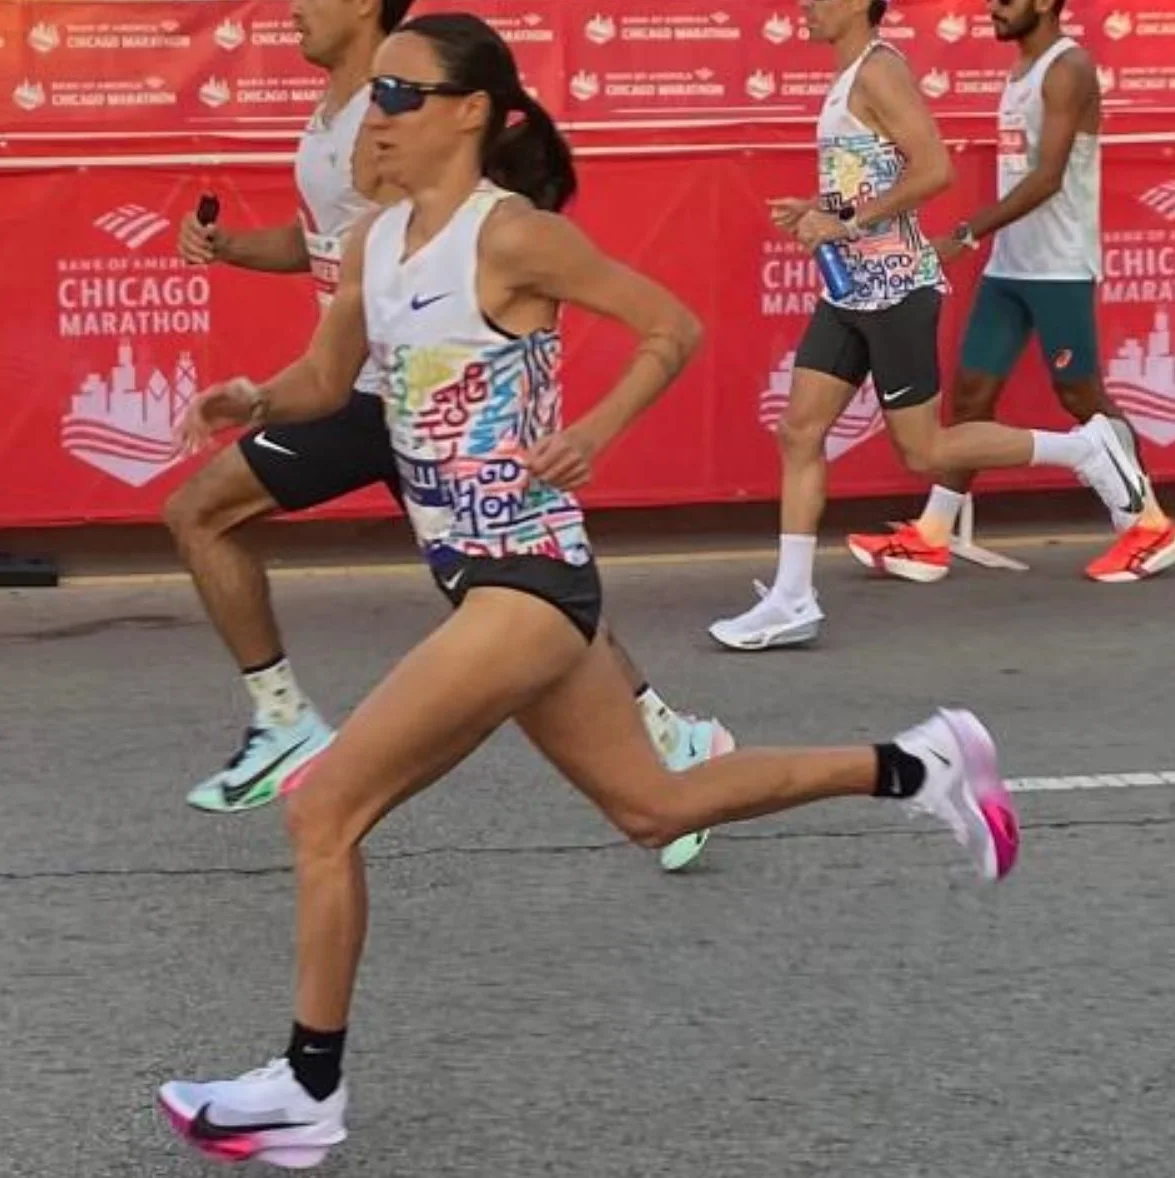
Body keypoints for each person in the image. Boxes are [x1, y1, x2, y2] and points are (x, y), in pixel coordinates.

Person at [156, 14, 1021, 1168]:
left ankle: (307, 1088)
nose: (381, 114)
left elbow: (671, 324)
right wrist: (251, 397)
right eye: (379, 94)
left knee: (324, 808)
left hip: (529, 573)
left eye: (405, 95)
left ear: (473, 112)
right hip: (474, 577)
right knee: (653, 808)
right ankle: (918, 761)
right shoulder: (371, 243)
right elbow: (327, 374)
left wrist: (600, 429)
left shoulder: (514, 237)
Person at [166, 0, 729, 873]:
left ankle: (285, 722)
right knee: (506, 592)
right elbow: (331, 251)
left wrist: (590, 426)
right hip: (376, 390)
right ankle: (670, 741)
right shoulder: (337, 126)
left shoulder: (398, 125)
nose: (292, 12)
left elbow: (652, 319)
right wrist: (238, 269)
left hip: (390, 396)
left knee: (211, 513)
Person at [708, 0, 1148, 652]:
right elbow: (872, 178)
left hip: (896, 291)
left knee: (925, 453)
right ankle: (790, 599)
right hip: (850, 289)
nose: (803, 6)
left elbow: (934, 170)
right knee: (799, 430)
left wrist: (847, 224)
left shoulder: (880, 71)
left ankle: (1083, 449)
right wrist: (821, 207)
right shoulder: (848, 74)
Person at [846, 0, 1175, 585]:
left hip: (1060, 266)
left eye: (1006, 0)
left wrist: (966, 234)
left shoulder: (1067, 66)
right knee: (971, 398)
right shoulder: (1021, 68)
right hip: (1011, 266)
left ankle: (1148, 524)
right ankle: (933, 535)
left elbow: (1047, 177)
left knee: (1080, 396)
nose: (994, 9)